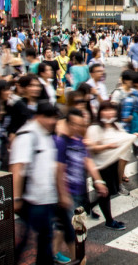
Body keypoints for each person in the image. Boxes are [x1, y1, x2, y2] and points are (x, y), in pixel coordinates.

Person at [11, 101, 67, 265]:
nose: (53, 122)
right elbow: (18, 167)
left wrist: (60, 193)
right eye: (49, 118)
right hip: (33, 199)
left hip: (46, 198)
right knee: (38, 239)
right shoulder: (27, 135)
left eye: (54, 118)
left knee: (39, 238)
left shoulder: (46, 135)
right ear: (38, 117)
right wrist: (16, 198)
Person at [54, 108, 108, 264]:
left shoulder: (79, 141)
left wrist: (98, 181)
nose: (79, 128)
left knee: (63, 228)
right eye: (76, 124)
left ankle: (52, 253)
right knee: (74, 232)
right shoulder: (61, 142)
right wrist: (62, 194)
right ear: (69, 123)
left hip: (78, 192)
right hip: (67, 193)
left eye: (82, 124)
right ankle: (80, 259)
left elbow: (88, 161)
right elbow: (59, 170)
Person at [86, 102, 133, 229]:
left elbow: (123, 137)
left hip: (112, 164)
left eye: (111, 110)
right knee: (104, 193)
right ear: (100, 112)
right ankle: (109, 220)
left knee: (107, 191)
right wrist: (107, 146)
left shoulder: (115, 126)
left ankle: (89, 206)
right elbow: (92, 148)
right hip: (100, 167)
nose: (109, 113)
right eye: (105, 110)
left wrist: (133, 137)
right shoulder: (94, 128)